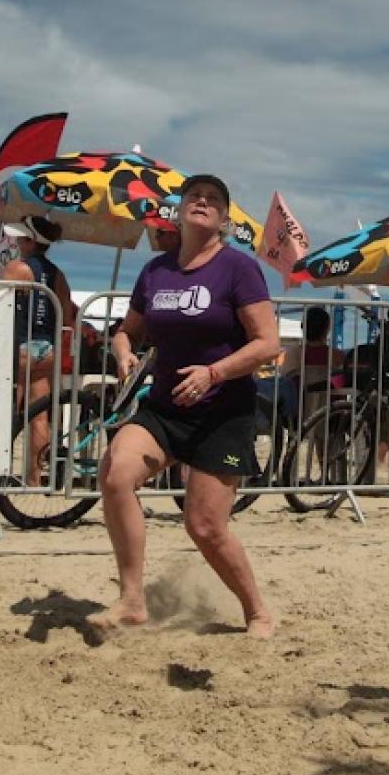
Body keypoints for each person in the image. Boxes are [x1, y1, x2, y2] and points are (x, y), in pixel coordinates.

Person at [97, 174, 278, 637]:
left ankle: (257, 610)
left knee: (203, 527)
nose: (201, 200)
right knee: (116, 473)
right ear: (179, 210)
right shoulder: (156, 270)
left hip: (223, 410)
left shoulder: (238, 269)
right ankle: (133, 600)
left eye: (213, 198)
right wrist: (123, 352)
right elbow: (127, 330)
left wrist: (213, 373)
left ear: (223, 218)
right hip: (164, 407)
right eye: (193, 195)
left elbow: (266, 343)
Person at [0, 216, 75, 486]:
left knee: (5, 411)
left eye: (20, 237)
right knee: (38, 416)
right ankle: (34, 478)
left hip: (19, 345)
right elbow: (67, 316)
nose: (17, 241)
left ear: (30, 241)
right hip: (47, 347)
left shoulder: (16, 269)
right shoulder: (58, 275)